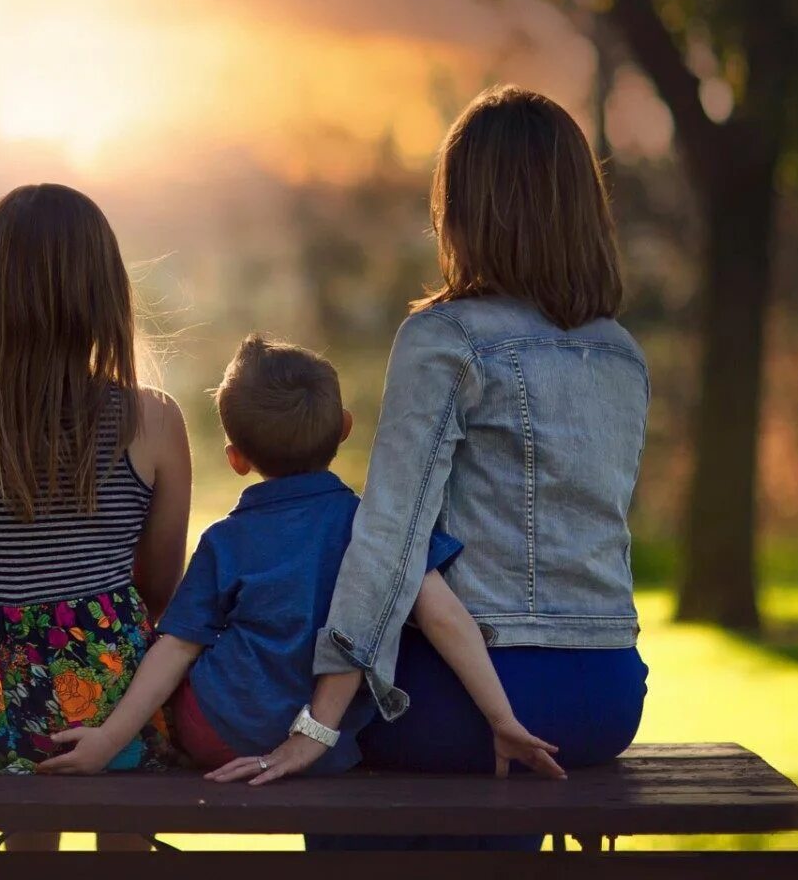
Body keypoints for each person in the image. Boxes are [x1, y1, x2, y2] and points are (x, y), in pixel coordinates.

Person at [215, 86, 650, 852]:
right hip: (610, 697)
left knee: (345, 742)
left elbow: (390, 536)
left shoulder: (444, 338)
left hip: (479, 698)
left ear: (465, 209)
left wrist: (317, 726)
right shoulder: (621, 352)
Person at [38, 334, 558, 782]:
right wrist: (502, 719)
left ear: (236, 460)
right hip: (325, 746)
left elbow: (177, 648)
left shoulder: (227, 540)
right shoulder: (376, 530)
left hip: (212, 731)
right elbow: (446, 617)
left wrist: (109, 739)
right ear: (345, 428)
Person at [0, 183, 192, 849]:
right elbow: (159, 591)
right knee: (123, 730)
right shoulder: (151, 417)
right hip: (105, 700)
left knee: (29, 797)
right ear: (102, 288)